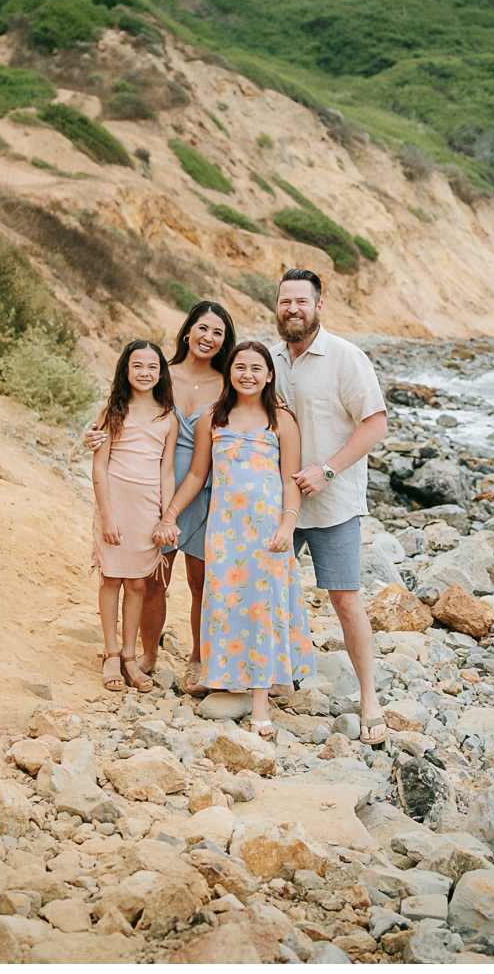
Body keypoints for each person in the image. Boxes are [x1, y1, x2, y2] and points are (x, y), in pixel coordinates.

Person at [155, 342, 315, 736]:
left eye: (256, 367)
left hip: (267, 533)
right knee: (223, 603)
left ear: (269, 374)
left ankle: (260, 699)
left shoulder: (281, 420)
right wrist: (171, 513)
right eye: (240, 366)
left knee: (263, 609)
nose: (247, 374)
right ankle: (224, 675)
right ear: (230, 372)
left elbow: (289, 480)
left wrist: (287, 524)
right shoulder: (213, 417)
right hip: (224, 532)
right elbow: (196, 475)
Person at [85, 302, 236, 691]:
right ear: (187, 331)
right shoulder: (158, 373)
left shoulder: (229, 382)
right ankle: (145, 654)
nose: (208, 337)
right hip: (152, 496)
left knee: (201, 580)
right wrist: (95, 435)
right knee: (152, 580)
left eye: (218, 332)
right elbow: (123, 415)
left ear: (224, 342)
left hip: (207, 491)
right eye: (202, 328)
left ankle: (198, 659)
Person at [270, 268, 389, 745]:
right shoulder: (271, 358)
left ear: (320, 306)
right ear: (277, 308)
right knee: (268, 590)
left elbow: (375, 423)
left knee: (345, 600)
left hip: (334, 503)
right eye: (284, 302)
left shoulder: (345, 357)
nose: (292, 309)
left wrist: (328, 469)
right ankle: (268, 678)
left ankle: (369, 697)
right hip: (280, 503)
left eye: (301, 301)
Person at [91, 341, 179, 693]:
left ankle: (131, 656)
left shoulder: (167, 417)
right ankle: (111, 653)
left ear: (161, 373)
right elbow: (99, 467)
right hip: (114, 505)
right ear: (126, 370)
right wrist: (107, 516)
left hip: (147, 509)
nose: (145, 373)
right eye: (138, 366)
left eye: (152, 367)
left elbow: (167, 470)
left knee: (139, 583)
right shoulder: (112, 411)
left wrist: (166, 518)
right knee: (111, 578)